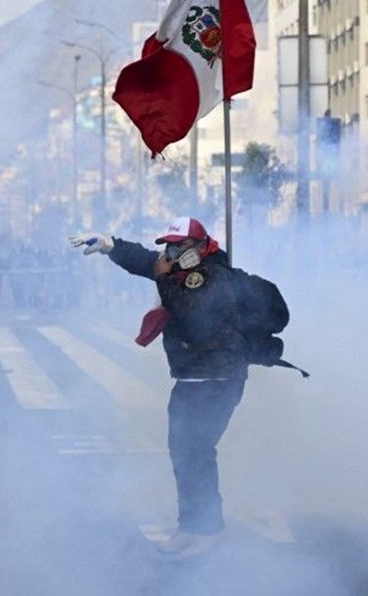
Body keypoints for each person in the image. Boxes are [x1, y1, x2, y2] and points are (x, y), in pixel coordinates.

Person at [68, 217, 290, 558]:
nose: (171, 254)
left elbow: (192, 314)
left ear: (201, 247)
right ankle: (192, 527)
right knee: (185, 453)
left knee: (195, 452)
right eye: (169, 247)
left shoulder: (213, 277)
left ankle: (207, 529)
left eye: (179, 247)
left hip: (218, 378)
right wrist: (112, 245)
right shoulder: (181, 273)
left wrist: (161, 276)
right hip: (194, 378)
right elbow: (148, 262)